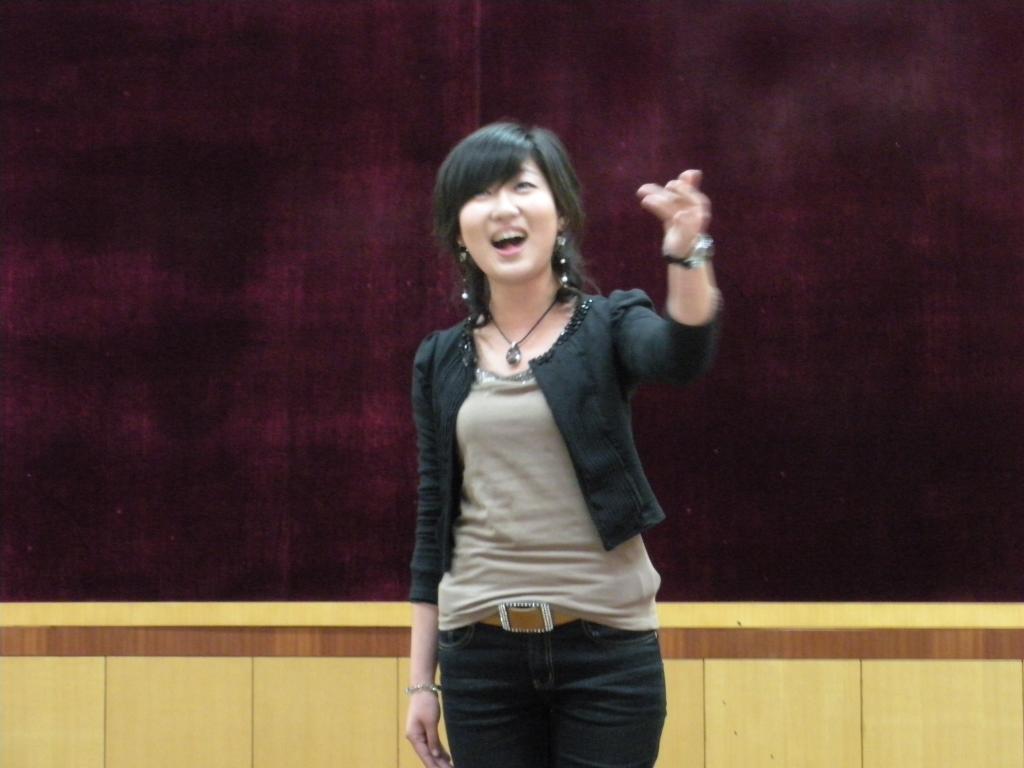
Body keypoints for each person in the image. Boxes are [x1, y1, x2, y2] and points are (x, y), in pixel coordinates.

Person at [405, 122, 721, 768]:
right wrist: (420, 683)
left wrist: (689, 254)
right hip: (480, 659)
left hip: (606, 653)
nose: (503, 208)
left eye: (522, 187)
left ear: (563, 215)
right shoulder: (438, 359)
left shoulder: (609, 324)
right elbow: (433, 520)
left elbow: (681, 356)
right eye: (480, 194)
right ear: (458, 231)